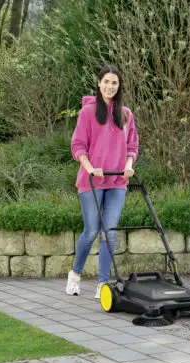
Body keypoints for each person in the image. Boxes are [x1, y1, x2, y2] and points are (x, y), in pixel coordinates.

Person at [66, 65, 139, 298]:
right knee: (91, 231)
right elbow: (78, 145)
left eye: (114, 83)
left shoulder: (125, 114)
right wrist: (90, 168)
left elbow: (132, 146)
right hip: (92, 181)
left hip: (117, 181)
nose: (110, 86)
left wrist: (128, 166)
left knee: (109, 232)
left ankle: (103, 284)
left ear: (119, 86)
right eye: (106, 81)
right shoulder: (87, 112)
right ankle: (75, 275)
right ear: (99, 84)